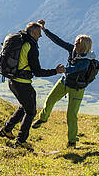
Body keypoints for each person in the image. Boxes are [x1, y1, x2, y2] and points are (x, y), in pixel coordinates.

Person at [0, 22, 65, 149]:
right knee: (31, 112)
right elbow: (37, 71)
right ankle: (21, 141)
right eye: (39, 33)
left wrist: (40, 25)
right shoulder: (30, 46)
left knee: (24, 107)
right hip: (23, 83)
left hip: (12, 80)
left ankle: (6, 129)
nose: (40, 36)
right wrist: (55, 71)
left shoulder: (22, 40)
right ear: (33, 33)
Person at [31, 19, 95, 148]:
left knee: (71, 115)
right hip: (65, 82)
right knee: (50, 100)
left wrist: (63, 70)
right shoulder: (73, 50)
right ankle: (43, 118)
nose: (75, 44)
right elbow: (58, 41)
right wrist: (44, 30)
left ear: (84, 47)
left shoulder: (86, 61)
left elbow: (75, 69)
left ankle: (72, 142)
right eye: (76, 42)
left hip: (77, 88)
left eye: (78, 43)